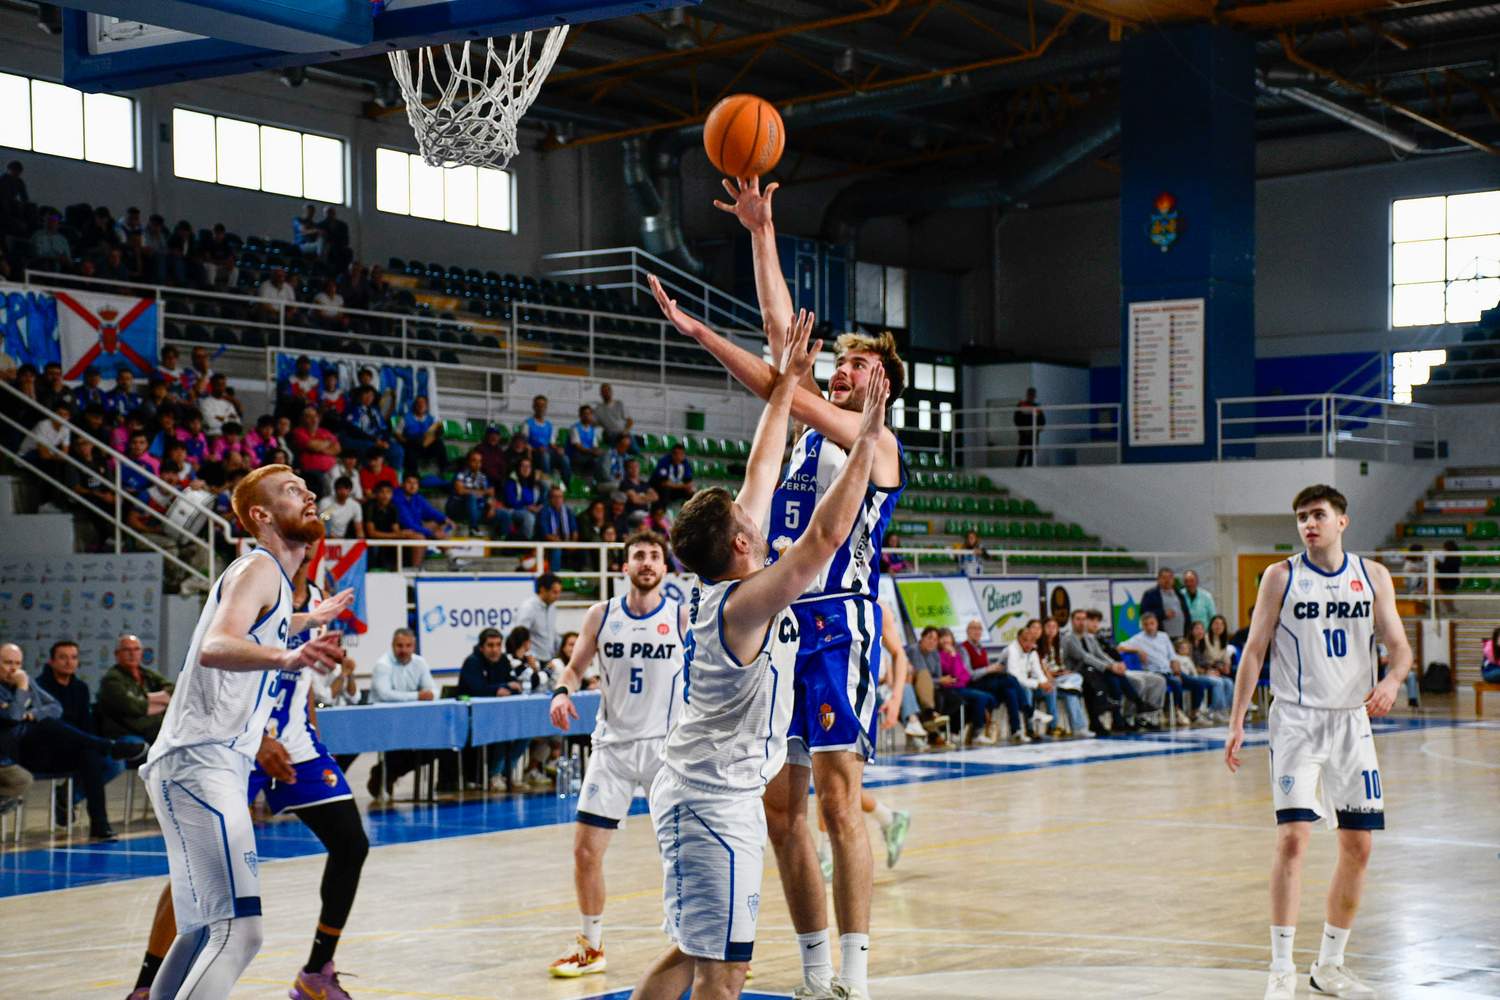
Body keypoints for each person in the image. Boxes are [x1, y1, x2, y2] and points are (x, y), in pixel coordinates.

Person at [654, 197, 908, 995]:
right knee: (780, 811)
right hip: (776, 628)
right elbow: (782, 350)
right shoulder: (804, 435)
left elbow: (779, 378)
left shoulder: (880, 442)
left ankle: (856, 977)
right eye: (842, 361)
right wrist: (761, 233)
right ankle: (813, 967)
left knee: (840, 804)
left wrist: (705, 336)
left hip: (837, 626)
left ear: (885, 386)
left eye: (861, 364)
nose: (844, 366)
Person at [138, 464, 348, 1000]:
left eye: (306, 487)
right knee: (239, 933)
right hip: (202, 762)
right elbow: (216, 644)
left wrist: (303, 620)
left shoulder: (272, 581)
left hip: (201, 763)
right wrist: (289, 654)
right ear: (261, 515)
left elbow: (259, 624)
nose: (308, 495)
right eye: (290, 491)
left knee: (204, 931)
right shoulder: (256, 567)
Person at [1225, 484, 1411, 1000]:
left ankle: (1329, 964)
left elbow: (1400, 649)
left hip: (1353, 722)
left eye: (1319, 515)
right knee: (1292, 839)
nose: (1310, 524)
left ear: (1342, 522)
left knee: (1360, 845)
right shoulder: (1280, 577)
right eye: (1303, 517)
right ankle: (1281, 967)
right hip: (1297, 723)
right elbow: (1254, 652)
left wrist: (1393, 681)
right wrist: (1239, 720)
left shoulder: (1372, 576)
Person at [547, 529, 687, 979]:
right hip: (612, 748)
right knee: (585, 851)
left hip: (666, 748)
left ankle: (695, 946)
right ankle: (591, 945)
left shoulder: (682, 616)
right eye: (638, 556)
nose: (646, 562)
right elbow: (575, 666)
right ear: (624, 567)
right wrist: (561, 692)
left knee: (681, 854)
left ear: (665, 568)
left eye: (654, 556)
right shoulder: (601, 614)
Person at [1, 642, 145, 841]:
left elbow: (55, 707)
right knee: (48, 724)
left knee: (90, 756)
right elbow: (14, 717)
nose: (14, 669)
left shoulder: (78, 687)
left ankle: (100, 825)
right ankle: (107, 746)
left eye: (17, 663)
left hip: (57, 748)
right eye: (8, 663)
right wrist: (23, 688)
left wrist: (32, 713)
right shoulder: (27, 682)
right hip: (19, 752)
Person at [366, 628, 439, 799]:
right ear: (392, 645)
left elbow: (433, 690)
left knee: (433, 749)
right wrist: (418, 696)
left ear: (414, 646)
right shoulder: (382, 665)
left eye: (408, 646)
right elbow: (385, 694)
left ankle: (386, 773)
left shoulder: (420, 662)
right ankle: (384, 774)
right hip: (383, 721)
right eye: (400, 645)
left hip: (411, 721)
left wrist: (429, 695)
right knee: (398, 750)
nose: (404, 650)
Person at [456, 628, 526, 791]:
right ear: (481, 647)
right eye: (490, 645)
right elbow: (477, 689)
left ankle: (506, 772)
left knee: (524, 731)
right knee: (501, 730)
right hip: (472, 716)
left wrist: (506, 687)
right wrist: (499, 689)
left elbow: (514, 685)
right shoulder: (472, 662)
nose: (495, 649)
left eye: (497, 645)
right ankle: (493, 774)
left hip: (500, 715)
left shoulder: (503, 661)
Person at [97, 633, 175, 742]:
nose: (132, 654)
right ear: (117, 654)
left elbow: (173, 690)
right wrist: (164, 702)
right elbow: (131, 706)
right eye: (127, 650)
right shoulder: (111, 679)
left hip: (153, 730)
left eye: (136, 649)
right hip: (125, 734)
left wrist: (144, 698)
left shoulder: (147, 674)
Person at [393, 472, 455, 569]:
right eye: (409, 483)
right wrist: (431, 533)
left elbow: (430, 511)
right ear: (402, 484)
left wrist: (445, 519)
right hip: (400, 531)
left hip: (413, 528)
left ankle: (452, 559)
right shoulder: (397, 498)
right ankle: (416, 569)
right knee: (420, 537)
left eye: (415, 483)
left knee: (435, 525)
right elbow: (408, 524)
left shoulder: (417, 497)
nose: (412, 486)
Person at [514, 572, 564, 664]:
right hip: (532, 660)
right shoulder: (528, 608)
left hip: (549, 659)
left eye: (559, 592)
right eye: (555, 592)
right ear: (543, 590)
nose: (557, 596)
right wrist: (527, 656)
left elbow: (552, 633)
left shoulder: (552, 608)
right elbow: (520, 636)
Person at [524, 394, 572, 483]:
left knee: (565, 458)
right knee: (545, 455)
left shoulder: (549, 425)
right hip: (535, 453)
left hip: (548, 452)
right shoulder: (528, 423)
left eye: (543, 406)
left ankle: (566, 484)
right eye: (538, 405)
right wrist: (536, 449)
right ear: (534, 407)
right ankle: (548, 482)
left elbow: (552, 443)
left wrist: (558, 449)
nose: (541, 408)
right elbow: (525, 443)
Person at [539, 484, 580, 572]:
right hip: (548, 545)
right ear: (550, 499)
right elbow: (546, 535)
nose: (558, 499)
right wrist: (563, 543)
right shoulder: (544, 512)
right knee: (557, 548)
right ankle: (554, 575)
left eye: (560, 497)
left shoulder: (568, 511)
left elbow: (574, 530)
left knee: (583, 549)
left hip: (565, 542)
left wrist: (573, 542)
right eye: (555, 497)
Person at [1141, 567, 1191, 638]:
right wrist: (1163, 614)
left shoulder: (1179, 594)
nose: (1167, 580)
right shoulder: (1151, 594)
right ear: (1158, 579)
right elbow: (1144, 613)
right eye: (1164, 578)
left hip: (1180, 636)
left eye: (1170, 578)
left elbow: (1186, 613)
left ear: (1173, 580)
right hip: (1160, 636)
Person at [567, 404, 605, 479]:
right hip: (576, 455)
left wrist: (598, 451)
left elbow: (594, 446)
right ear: (580, 416)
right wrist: (592, 451)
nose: (587, 416)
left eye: (589, 414)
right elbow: (578, 446)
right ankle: (582, 478)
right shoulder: (575, 428)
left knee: (603, 456)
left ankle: (592, 479)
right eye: (584, 414)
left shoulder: (592, 429)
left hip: (588, 454)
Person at [1013, 387, 1044, 466]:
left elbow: (1042, 421)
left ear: (1035, 396)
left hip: (1034, 435)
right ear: (1027, 395)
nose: (1031, 396)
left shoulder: (1037, 407)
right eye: (1030, 394)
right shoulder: (1021, 405)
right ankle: (1017, 473)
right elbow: (1017, 420)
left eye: (1032, 395)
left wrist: (1038, 429)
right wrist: (1023, 429)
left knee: (1031, 456)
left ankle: (1029, 473)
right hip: (1024, 435)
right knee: (1021, 454)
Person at [1435, 540, 1462, 615]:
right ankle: (1450, 608)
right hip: (1452, 578)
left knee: (1446, 595)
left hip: (1447, 579)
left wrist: (1437, 563)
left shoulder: (1450, 556)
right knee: (1446, 594)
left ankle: (1450, 608)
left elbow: (1446, 568)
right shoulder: (1456, 555)